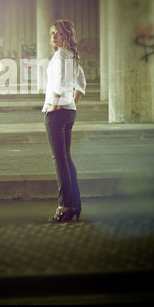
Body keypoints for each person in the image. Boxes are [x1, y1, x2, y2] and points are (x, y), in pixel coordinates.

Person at [42, 19, 86, 222]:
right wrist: (70, 104)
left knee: (59, 159)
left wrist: (56, 105)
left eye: (58, 33)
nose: (54, 37)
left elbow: (60, 85)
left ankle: (63, 207)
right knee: (66, 158)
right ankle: (74, 205)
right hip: (69, 112)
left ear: (67, 35)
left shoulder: (61, 56)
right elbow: (80, 84)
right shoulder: (71, 56)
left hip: (58, 114)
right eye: (52, 33)